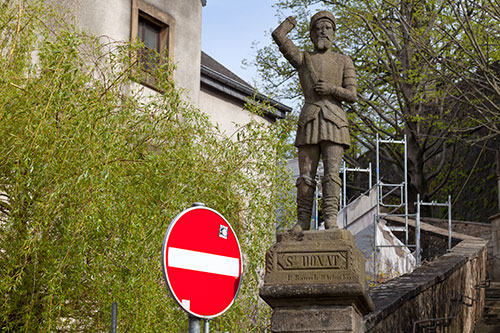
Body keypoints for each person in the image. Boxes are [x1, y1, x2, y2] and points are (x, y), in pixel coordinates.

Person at [272, 11, 357, 232]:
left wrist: (331, 89)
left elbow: (352, 94)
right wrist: (289, 23)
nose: (323, 31)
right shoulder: (304, 60)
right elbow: (279, 37)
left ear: (334, 33)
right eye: (318, 28)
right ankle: (302, 221)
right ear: (311, 34)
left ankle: (330, 219)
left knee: (331, 172)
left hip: (335, 120)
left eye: (328, 28)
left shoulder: (343, 61)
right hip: (309, 119)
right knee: (306, 174)